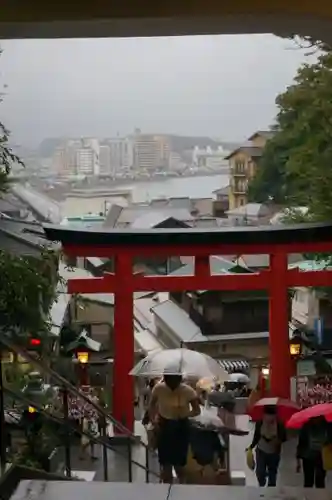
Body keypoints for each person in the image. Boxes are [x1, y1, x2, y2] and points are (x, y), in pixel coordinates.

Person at [148, 371, 201, 483]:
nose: (171, 384)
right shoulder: (159, 389)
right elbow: (151, 405)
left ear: (179, 379)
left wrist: (185, 414)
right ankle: (167, 485)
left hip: (181, 426)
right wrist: (154, 421)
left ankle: (181, 487)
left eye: (174, 381)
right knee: (165, 462)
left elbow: (197, 410)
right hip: (164, 425)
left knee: (179, 463)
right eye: (168, 380)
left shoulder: (188, 391)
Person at [248, 405, 286, 487]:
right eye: (267, 415)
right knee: (260, 472)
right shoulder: (260, 422)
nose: (269, 418)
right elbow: (256, 436)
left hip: (274, 452)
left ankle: (271, 491)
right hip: (261, 451)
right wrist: (251, 446)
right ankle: (262, 484)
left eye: (271, 415)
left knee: (272, 473)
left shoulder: (279, 424)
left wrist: (278, 440)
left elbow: (284, 438)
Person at [296, 416, 331, 488]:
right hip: (309, 456)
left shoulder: (328, 426)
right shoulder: (307, 426)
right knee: (309, 481)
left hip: (320, 456)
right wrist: (298, 457)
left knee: (319, 480)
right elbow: (302, 442)